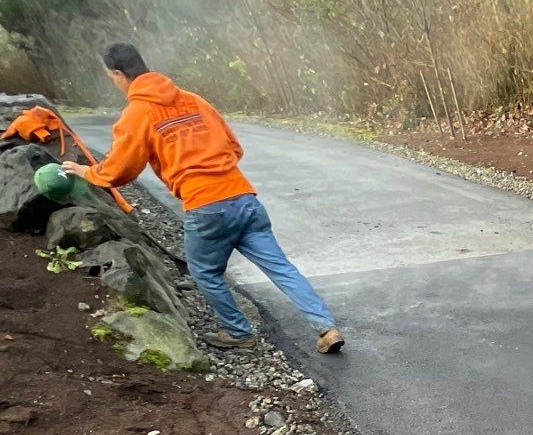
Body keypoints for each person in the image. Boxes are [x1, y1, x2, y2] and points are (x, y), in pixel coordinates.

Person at [62, 43, 344, 355]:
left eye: (110, 77)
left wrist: (89, 173)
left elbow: (120, 170)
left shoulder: (137, 114)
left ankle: (239, 332)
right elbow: (234, 147)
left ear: (118, 74)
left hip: (205, 206)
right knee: (281, 268)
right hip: (244, 198)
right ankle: (326, 327)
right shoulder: (193, 99)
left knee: (205, 272)